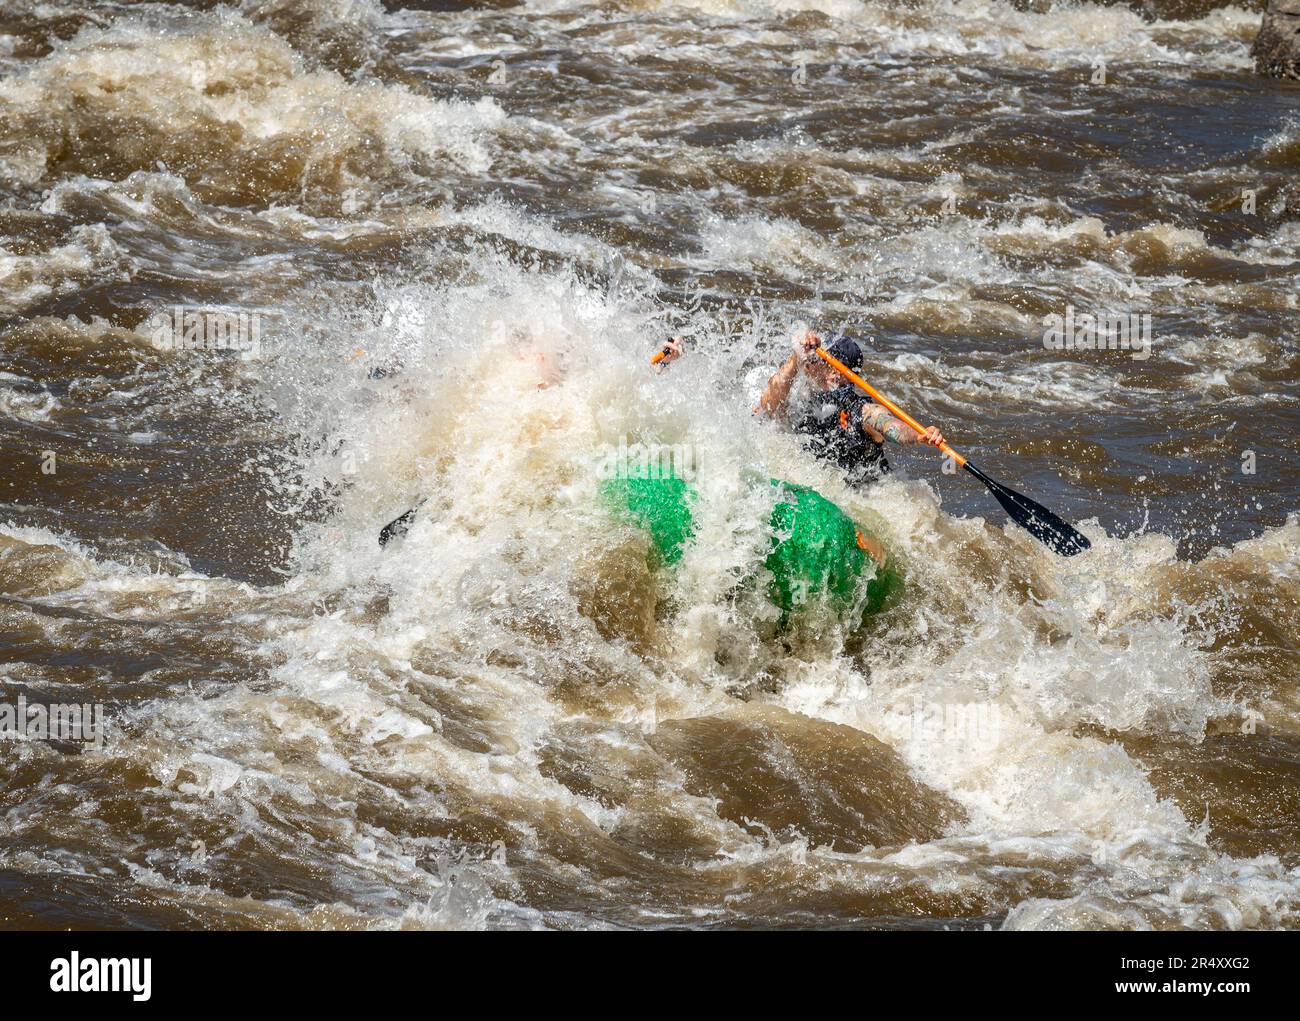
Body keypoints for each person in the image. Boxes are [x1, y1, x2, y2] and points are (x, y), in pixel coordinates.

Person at [655, 329, 945, 489]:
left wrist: (919, 436)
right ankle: (668, 366)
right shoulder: (803, 401)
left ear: (837, 373)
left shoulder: (860, 410)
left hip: (866, 490)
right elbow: (768, 406)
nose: (812, 368)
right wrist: (797, 357)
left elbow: (888, 425)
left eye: (819, 363)